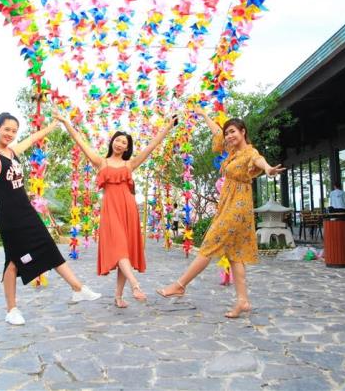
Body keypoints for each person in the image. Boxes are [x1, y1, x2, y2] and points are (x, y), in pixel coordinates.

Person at [0, 112, 101, 326]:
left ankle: (78, 288)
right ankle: (11, 310)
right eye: (6, 129)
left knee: (48, 246)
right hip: (9, 216)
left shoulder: (12, 152)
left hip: (26, 211)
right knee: (13, 260)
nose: (10, 134)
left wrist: (53, 125)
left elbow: (31, 139)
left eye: (14, 131)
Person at [157, 107, 285, 318]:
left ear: (243, 131)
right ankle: (243, 301)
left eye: (233, 131)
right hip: (228, 204)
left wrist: (268, 168)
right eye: (227, 133)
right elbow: (217, 132)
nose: (228, 136)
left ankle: (180, 285)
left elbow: (258, 160)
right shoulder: (232, 151)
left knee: (209, 244)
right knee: (235, 254)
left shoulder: (250, 152)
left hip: (238, 207)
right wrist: (205, 115)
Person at [54, 109, 177, 308]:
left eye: (124, 143)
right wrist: (66, 122)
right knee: (120, 248)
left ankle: (118, 296)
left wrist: (168, 127)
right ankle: (135, 285)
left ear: (127, 148)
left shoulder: (130, 164)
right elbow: (79, 141)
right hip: (110, 210)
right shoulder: (100, 162)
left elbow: (152, 146)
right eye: (118, 140)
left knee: (124, 253)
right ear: (112, 141)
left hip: (128, 209)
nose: (120, 144)